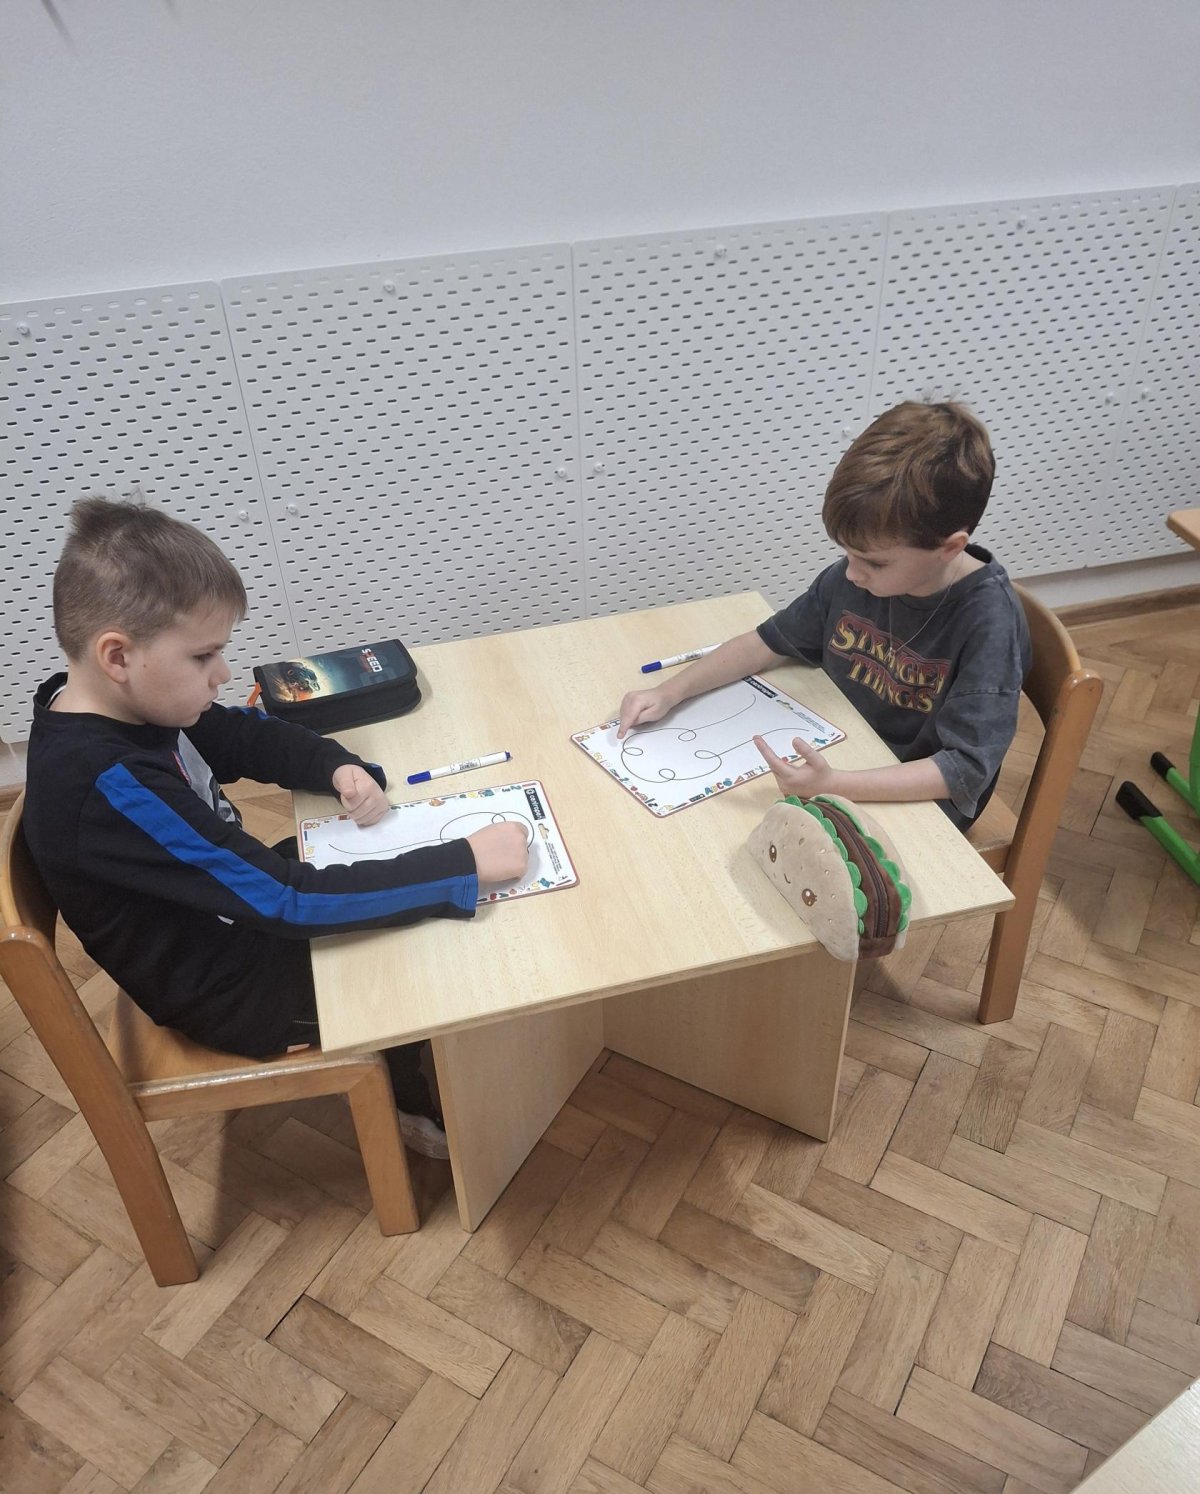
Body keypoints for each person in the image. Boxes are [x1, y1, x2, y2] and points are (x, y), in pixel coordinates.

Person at [24, 499, 530, 1159]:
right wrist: (462, 865)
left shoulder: (120, 701)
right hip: (233, 990)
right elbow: (287, 900)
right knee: (428, 934)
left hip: (233, 916)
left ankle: (414, 1053)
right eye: (204, 655)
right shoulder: (108, 787)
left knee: (402, 874)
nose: (223, 674)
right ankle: (406, 1096)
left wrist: (335, 766)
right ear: (118, 655)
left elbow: (240, 735)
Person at [618, 401, 1031, 830]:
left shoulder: (989, 624)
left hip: (913, 801)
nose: (852, 573)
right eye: (847, 553)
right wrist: (671, 692)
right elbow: (766, 642)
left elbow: (964, 770)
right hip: (840, 750)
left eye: (874, 562)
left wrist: (836, 783)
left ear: (950, 548)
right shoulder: (858, 579)